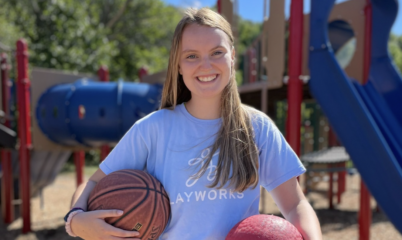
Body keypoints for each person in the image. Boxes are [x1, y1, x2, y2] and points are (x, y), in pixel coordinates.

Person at [65, 8, 322, 240]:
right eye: (191, 56)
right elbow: (93, 184)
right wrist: (76, 221)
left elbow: (294, 205)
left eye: (217, 52)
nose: (205, 65)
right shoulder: (153, 129)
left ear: (232, 57)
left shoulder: (257, 127)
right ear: (178, 65)